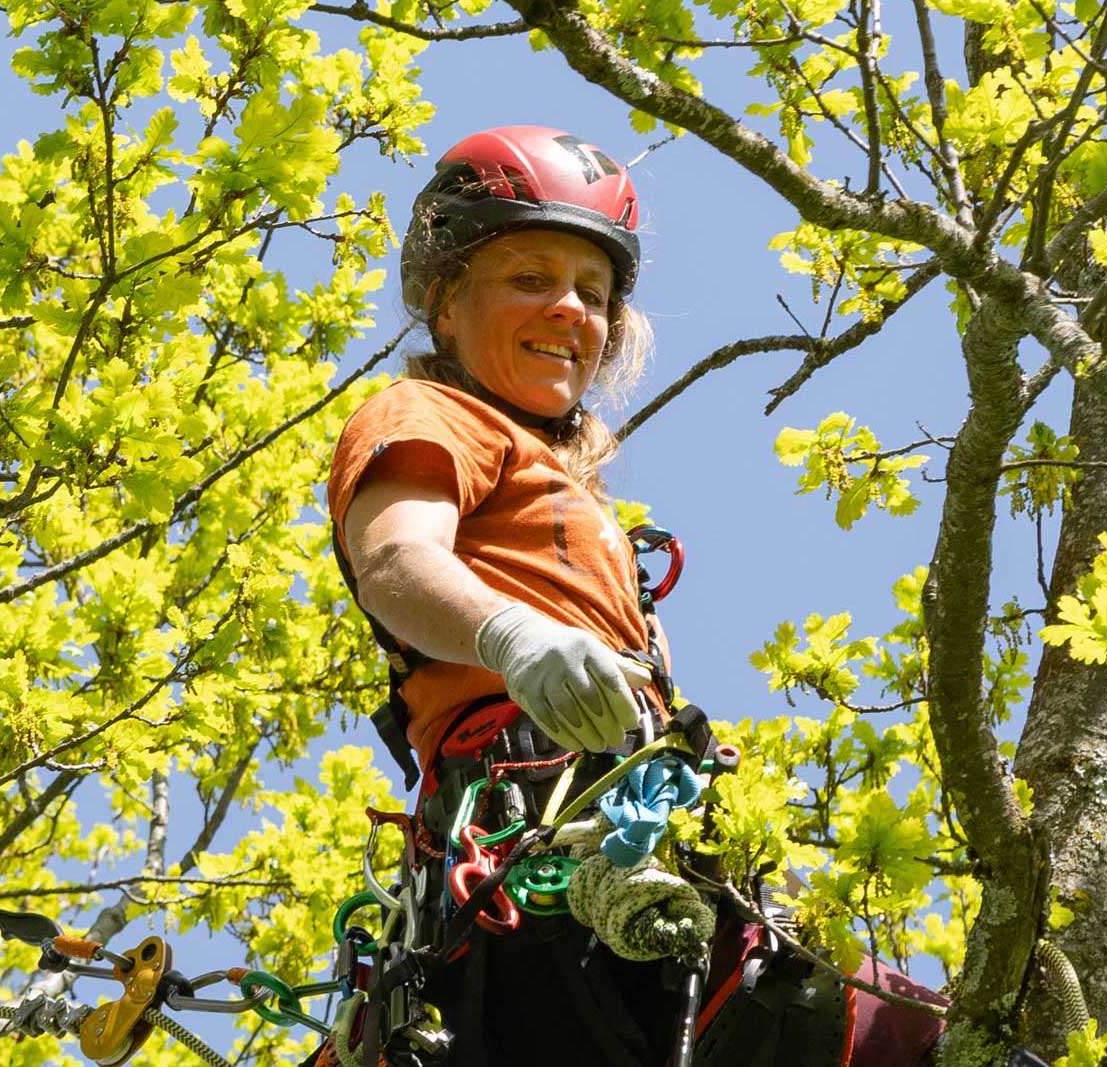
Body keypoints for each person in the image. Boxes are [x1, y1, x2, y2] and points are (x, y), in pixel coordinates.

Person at [323, 127, 951, 1067]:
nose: (569, 308)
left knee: (902, 1028)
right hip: (536, 827)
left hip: (635, 820)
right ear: (443, 299)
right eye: (529, 277)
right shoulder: (427, 416)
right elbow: (396, 561)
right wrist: (513, 638)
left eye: (594, 292)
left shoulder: (559, 478)